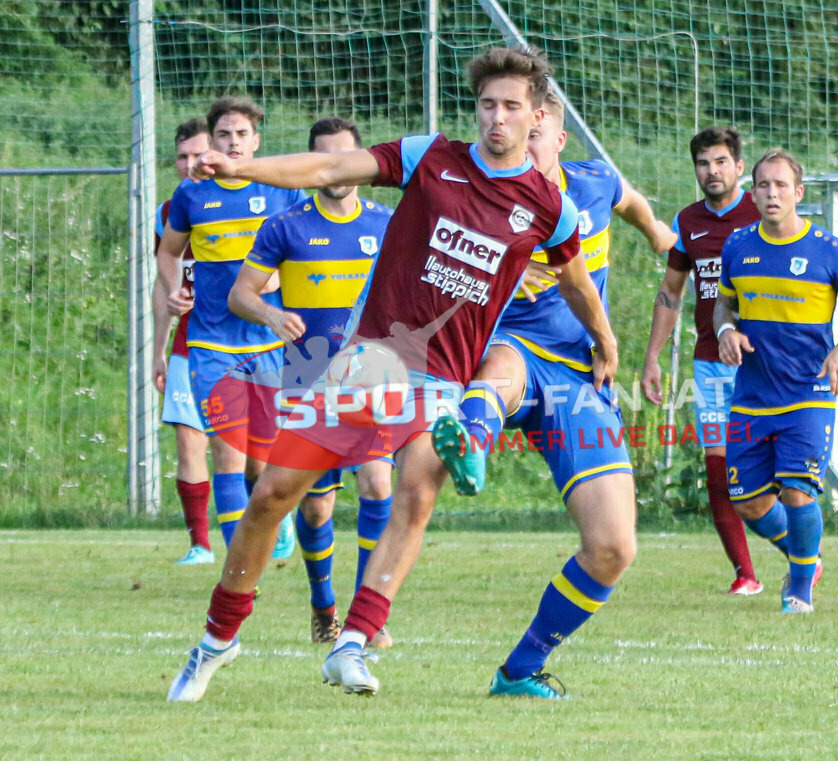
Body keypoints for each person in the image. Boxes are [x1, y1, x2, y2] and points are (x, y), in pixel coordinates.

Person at [166, 47, 616, 703]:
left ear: (538, 115)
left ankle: (353, 642)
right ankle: (218, 638)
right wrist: (242, 166)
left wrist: (605, 342)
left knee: (416, 484)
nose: (496, 117)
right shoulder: (429, 158)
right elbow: (327, 165)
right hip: (364, 360)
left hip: (441, 377)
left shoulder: (550, 208)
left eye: (511, 106)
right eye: (487, 104)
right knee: (273, 497)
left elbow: (577, 283)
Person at [430, 92, 675, 698]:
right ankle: (470, 442)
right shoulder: (481, 200)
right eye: (506, 128)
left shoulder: (593, 182)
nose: (517, 141)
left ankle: (519, 671)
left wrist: (659, 235)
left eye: (532, 133)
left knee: (614, 546)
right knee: (501, 373)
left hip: (581, 376)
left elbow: (632, 202)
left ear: (557, 140)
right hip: (510, 345)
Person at [226, 117, 396, 646]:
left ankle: (370, 619)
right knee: (316, 504)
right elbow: (241, 295)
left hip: (370, 380)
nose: (337, 171)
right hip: (306, 379)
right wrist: (271, 316)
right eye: (326, 159)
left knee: (377, 483)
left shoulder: (387, 224)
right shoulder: (286, 226)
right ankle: (325, 608)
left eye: (345, 158)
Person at [713, 148, 838, 614]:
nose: (771, 193)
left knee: (797, 490)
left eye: (781, 185)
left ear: (798, 193)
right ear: (752, 191)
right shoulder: (739, 245)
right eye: (763, 184)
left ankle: (799, 591)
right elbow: (724, 303)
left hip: (808, 392)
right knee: (747, 502)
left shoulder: (827, 250)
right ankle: (808, 558)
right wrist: (726, 330)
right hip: (752, 395)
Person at [155, 96, 303, 562]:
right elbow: (168, 253)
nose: (233, 142)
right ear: (211, 141)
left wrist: (287, 276)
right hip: (210, 343)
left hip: (268, 342)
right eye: (224, 134)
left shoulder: (283, 192)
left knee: (261, 461)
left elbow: (307, 244)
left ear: (256, 141)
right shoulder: (191, 195)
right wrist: (175, 288)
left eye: (242, 134)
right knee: (226, 452)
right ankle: (239, 569)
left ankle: (270, 519)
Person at [640, 127, 763, 596]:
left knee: (772, 467)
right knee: (719, 471)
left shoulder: (761, 212)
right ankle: (745, 574)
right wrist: (652, 357)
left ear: (737, 165)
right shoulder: (688, 222)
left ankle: (802, 555)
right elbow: (671, 291)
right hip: (711, 363)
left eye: (719, 162)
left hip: (762, 363)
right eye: (702, 164)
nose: (711, 172)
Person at [152, 118, 214, 565]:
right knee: (189, 441)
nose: (191, 163)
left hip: (248, 343)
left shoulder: (249, 204)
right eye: (183, 156)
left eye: (199, 154)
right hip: (189, 345)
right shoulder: (167, 213)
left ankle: (275, 519)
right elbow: (164, 282)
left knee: (251, 450)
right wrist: (159, 346)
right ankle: (200, 544)